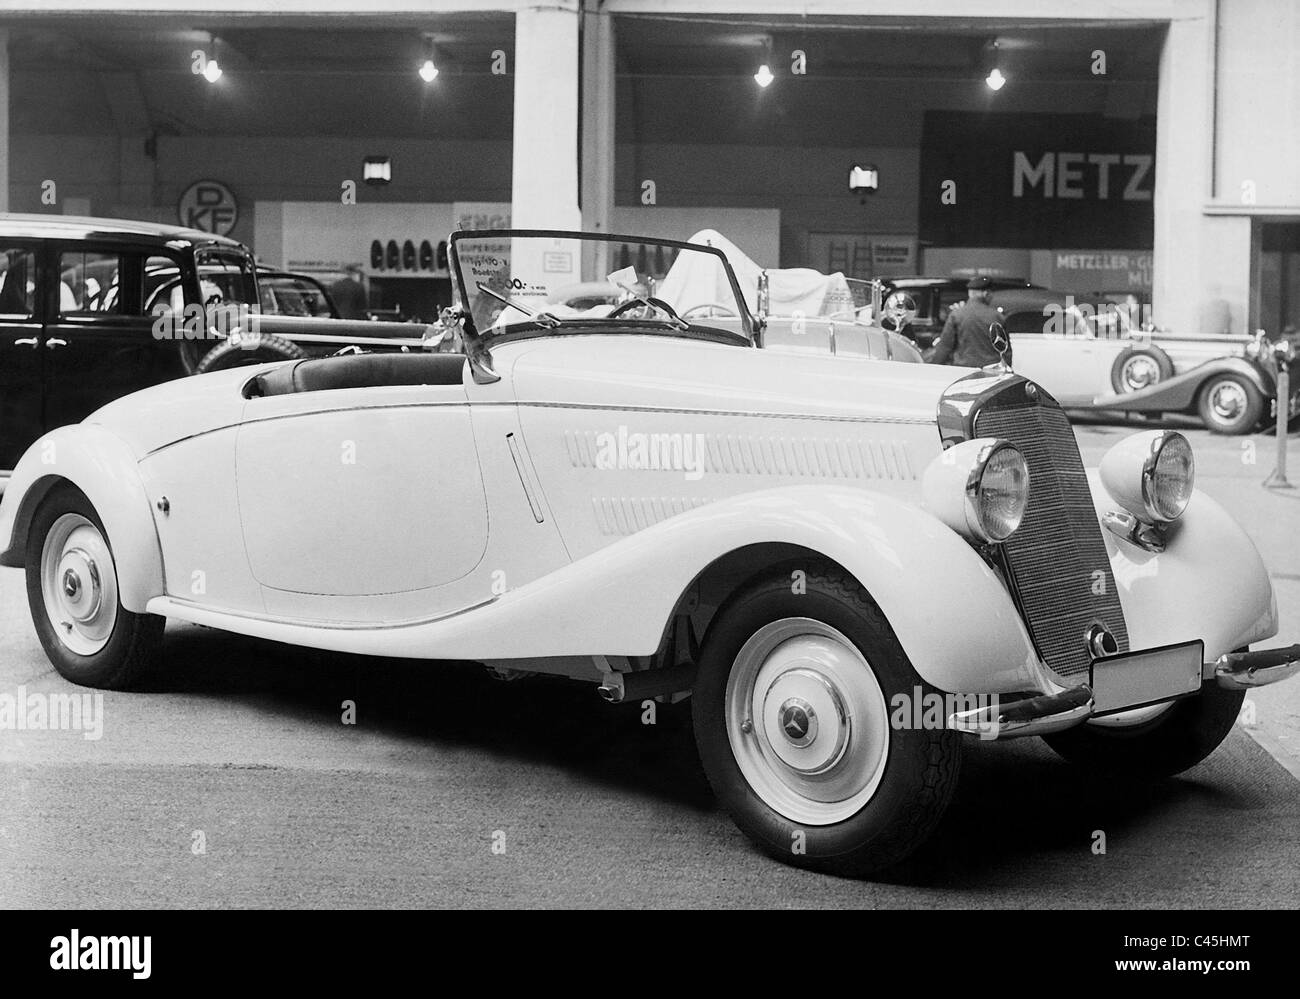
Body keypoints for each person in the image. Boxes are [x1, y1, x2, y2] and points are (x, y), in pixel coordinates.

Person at [927, 276, 1011, 367]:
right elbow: (1006, 350)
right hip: (991, 371)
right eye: (991, 294)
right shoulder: (997, 316)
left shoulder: (956, 315)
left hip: (964, 371)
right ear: (986, 293)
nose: (991, 297)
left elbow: (945, 347)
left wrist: (933, 367)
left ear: (970, 294)